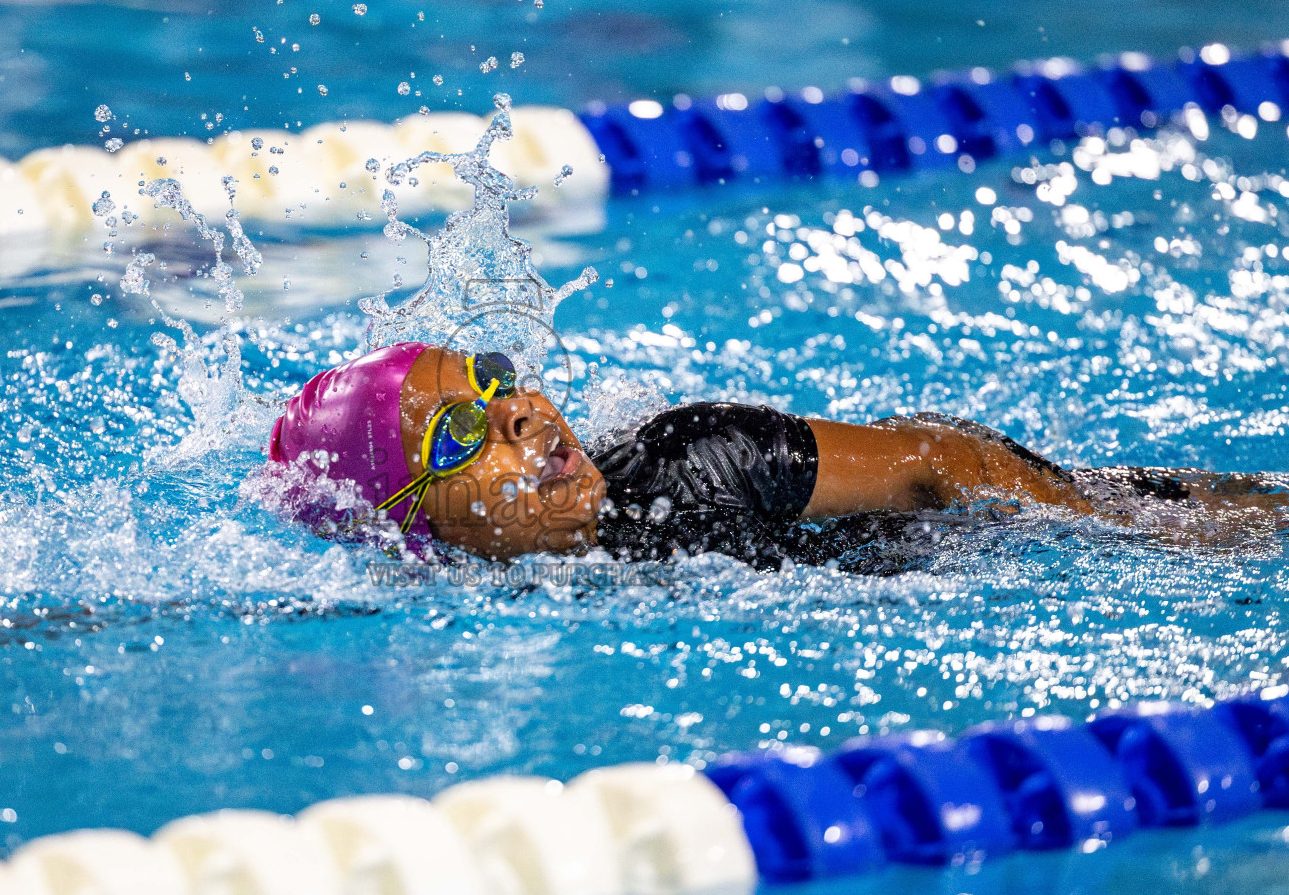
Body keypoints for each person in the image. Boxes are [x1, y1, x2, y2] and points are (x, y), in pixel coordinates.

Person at [263, 342, 1286, 571]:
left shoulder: (697, 461)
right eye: (457, 434)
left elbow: (944, 463)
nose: (520, 417)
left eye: (493, 379)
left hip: (971, 524)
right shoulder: (443, 594)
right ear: (414, 524)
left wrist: (1143, 531)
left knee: (1115, 497)